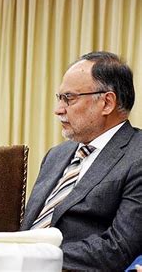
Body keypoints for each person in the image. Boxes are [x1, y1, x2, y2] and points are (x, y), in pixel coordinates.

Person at [21, 51, 142, 270]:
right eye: (59, 98)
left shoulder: (137, 155)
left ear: (107, 102)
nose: (58, 110)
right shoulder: (56, 156)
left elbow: (119, 247)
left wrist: (35, 258)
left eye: (69, 98)